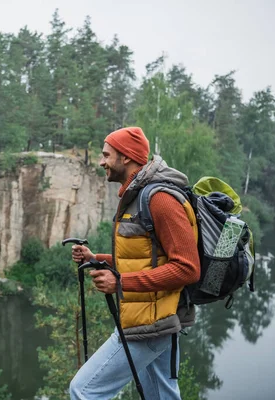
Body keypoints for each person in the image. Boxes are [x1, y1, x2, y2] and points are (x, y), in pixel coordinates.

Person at [69, 127, 200, 400]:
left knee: (84, 391)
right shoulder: (136, 195)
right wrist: (98, 259)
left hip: (151, 325)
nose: (101, 161)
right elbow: (143, 259)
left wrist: (120, 282)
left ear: (126, 157)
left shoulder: (160, 199)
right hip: (153, 317)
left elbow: (188, 267)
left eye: (106, 155)